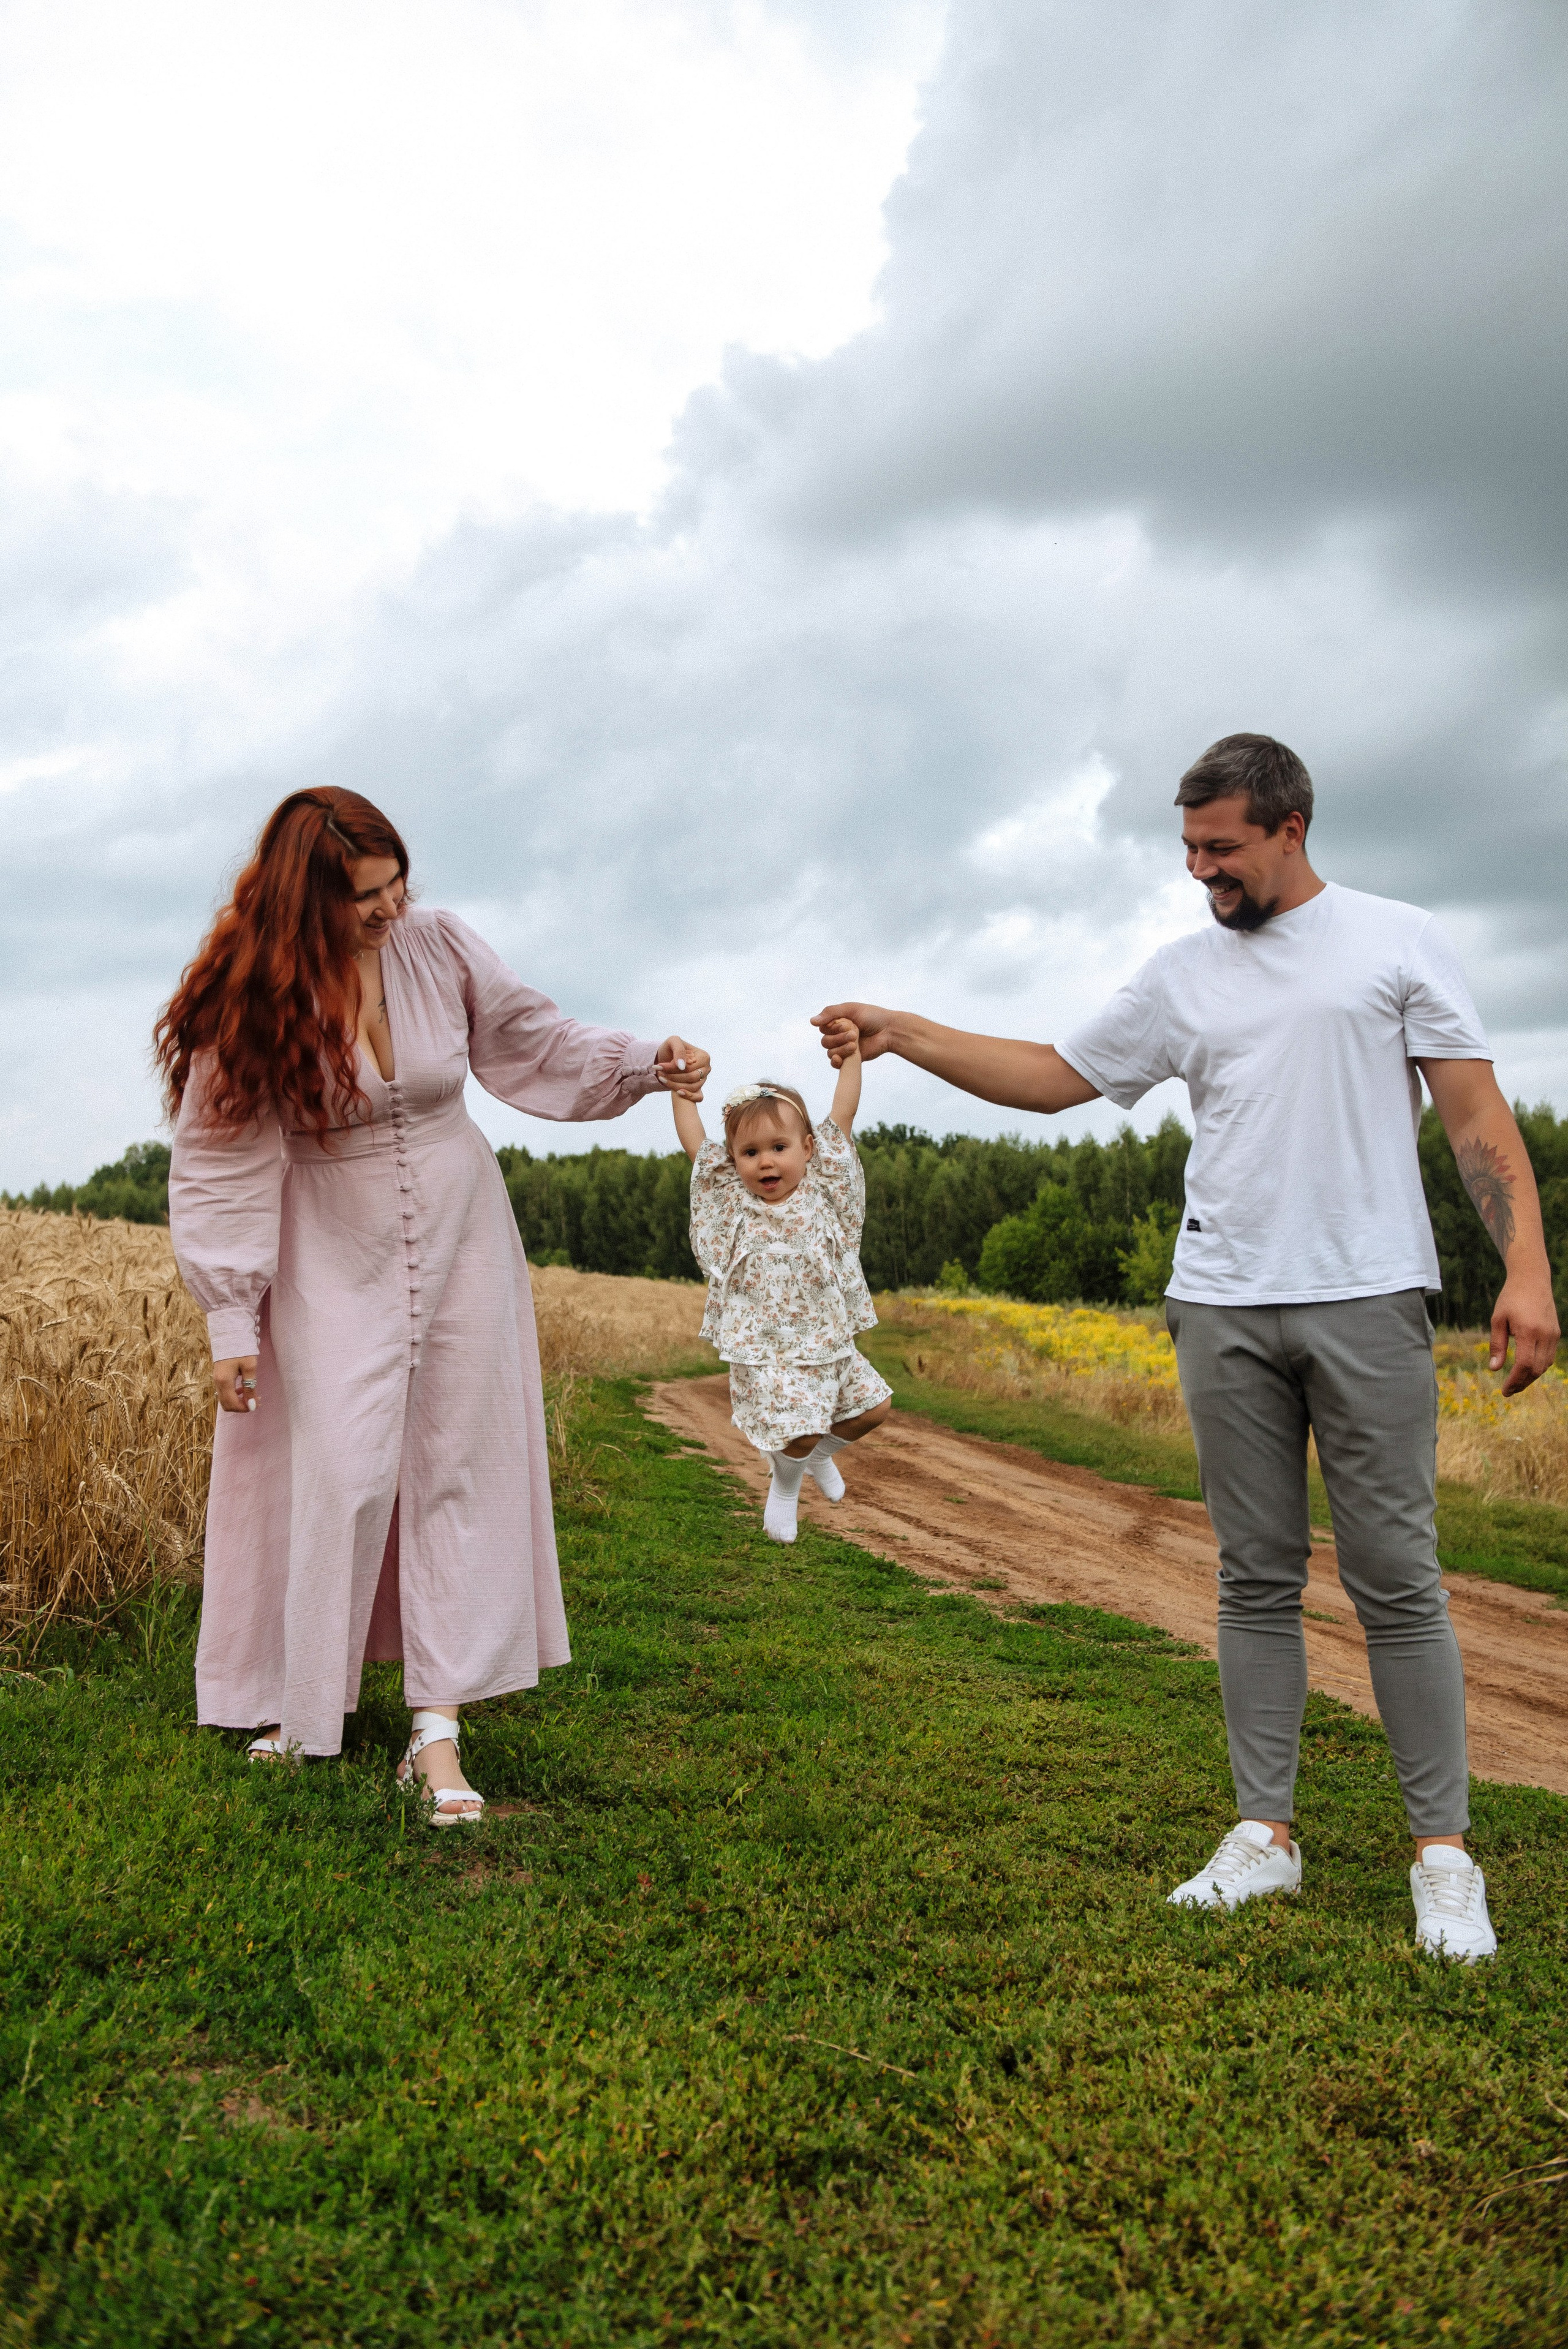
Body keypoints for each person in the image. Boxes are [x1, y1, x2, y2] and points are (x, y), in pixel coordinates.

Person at [814, 733, 1559, 1961]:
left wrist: (1525, 1268)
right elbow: (1055, 1077)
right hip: (1218, 1302)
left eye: (1221, 848)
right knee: (1253, 1575)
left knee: (1396, 1580)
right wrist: (906, 1030)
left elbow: (1475, 1115)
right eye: (1188, 848)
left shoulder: (1399, 941)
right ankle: (1264, 1836)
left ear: (1289, 829)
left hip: (1368, 1295)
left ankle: (1442, 1858)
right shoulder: (1179, 974)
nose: (1199, 870)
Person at [159, 787, 709, 1821]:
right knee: (342, 1467)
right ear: (304, 900)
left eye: (396, 882)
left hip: (463, 1233)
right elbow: (220, 1159)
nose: (389, 907)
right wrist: (231, 1315)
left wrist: (644, 1062)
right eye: (365, 895)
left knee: (459, 1461)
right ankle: (302, 1702)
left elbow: (533, 1041)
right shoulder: (253, 996)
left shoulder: (440, 944)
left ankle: (436, 1732)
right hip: (328, 1248)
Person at [671, 1028, 892, 1544]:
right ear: (734, 1160)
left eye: (778, 1147)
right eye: (749, 1152)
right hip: (767, 1347)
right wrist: (680, 1089)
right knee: (802, 1428)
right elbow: (693, 1143)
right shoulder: (734, 1199)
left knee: (875, 1409)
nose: (765, 1161)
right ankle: (786, 1487)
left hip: (826, 1339)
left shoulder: (823, 1186)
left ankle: (811, 1459)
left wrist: (851, 1056)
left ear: (808, 1148)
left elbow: (845, 1110)